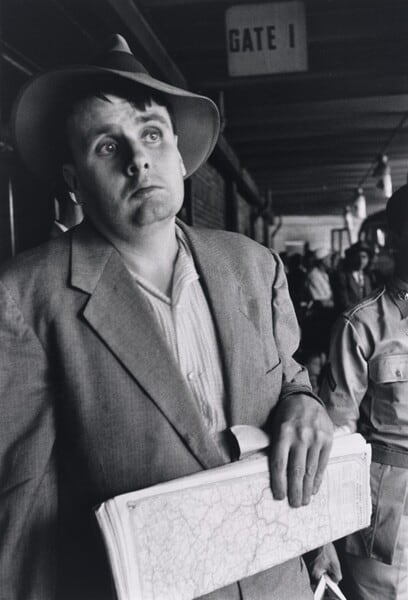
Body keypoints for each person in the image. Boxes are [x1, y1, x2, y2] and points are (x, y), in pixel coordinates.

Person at [0, 34, 333, 600]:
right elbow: (25, 511)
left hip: (282, 581)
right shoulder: (26, 297)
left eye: (151, 134)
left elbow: (288, 379)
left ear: (179, 154)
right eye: (108, 146)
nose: (138, 159)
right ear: (73, 179)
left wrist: (306, 404)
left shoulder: (253, 265)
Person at [319, 184, 408, 599]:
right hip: (387, 510)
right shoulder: (360, 325)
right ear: (394, 238)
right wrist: (323, 534)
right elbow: (337, 437)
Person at [332, 241, 373, 313]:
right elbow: (343, 304)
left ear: (368, 259)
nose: (361, 261)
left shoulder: (367, 277)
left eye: (364, 257)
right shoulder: (342, 276)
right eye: (357, 257)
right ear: (351, 258)